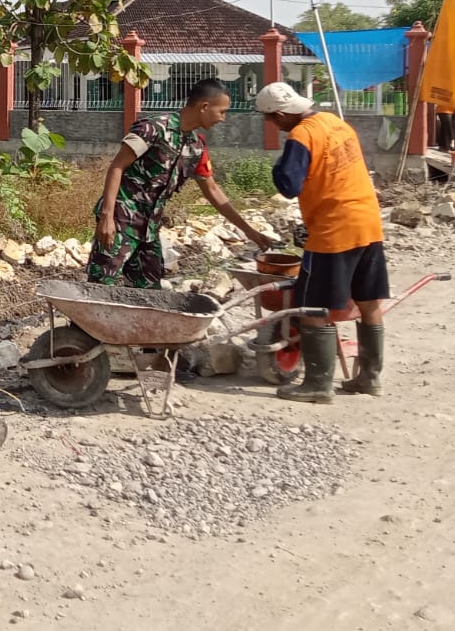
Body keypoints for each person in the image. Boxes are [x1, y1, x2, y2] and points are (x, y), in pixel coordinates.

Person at [256, 81, 388, 404]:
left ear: (281, 114)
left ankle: (317, 384)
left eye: (270, 119)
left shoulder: (301, 135)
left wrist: (278, 167)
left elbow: (289, 185)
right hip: (368, 222)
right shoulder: (336, 123)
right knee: (368, 302)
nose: (272, 124)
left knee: (311, 306)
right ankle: (370, 378)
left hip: (334, 230)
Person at [90, 78, 279, 290]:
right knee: (100, 285)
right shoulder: (153, 128)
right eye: (222, 111)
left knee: (149, 290)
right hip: (121, 219)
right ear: (204, 106)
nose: (223, 118)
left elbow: (213, 190)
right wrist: (107, 217)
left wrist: (248, 231)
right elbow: (117, 166)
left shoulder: (196, 147)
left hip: (149, 227)